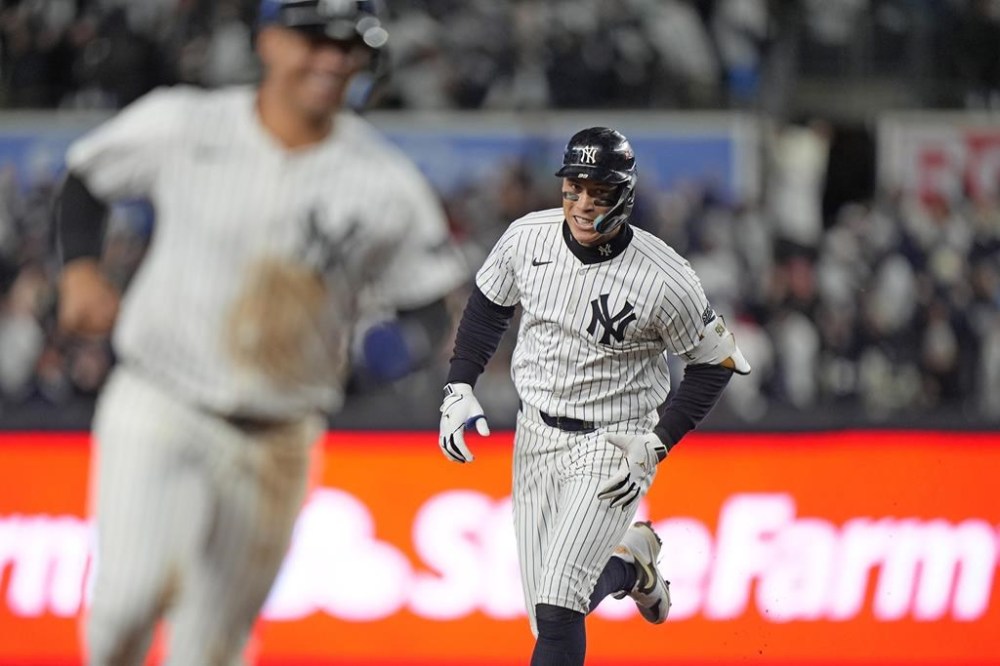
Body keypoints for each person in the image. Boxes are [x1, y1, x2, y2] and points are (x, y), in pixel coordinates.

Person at [54, 1, 466, 663]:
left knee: (213, 648)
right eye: (314, 38)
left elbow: (426, 298)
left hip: (280, 432)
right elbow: (85, 178)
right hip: (161, 401)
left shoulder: (382, 181)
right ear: (268, 40)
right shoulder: (186, 122)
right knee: (127, 602)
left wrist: (391, 353)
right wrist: (79, 271)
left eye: (349, 45)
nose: (333, 59)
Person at [437, 127, 750, 665]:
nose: (583, 203)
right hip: (534, 433)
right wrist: (460, 382)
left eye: (599, 191)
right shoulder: (527, 237)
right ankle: (632, 564)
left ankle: (629, 561)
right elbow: (489, 304)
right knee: (546, 612)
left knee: (559, 604)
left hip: (615, 440)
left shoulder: (664, 276)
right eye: (574, 187)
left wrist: (659, 441)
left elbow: (716, 362)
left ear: (624, 194)